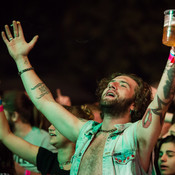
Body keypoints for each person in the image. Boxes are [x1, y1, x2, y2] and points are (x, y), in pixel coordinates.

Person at [2, 20, 175, 174]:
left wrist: (173, 53)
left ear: (135, 104)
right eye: (110, 83)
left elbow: (163, 98)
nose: (112, 85)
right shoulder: (84, 132)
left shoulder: (137, 136)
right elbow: (43, 100)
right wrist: (21, 59)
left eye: (123, 85)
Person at [2, 90, 56, 174]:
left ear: (14, 116)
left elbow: (55, 173)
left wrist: (24, 172)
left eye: (3, 113)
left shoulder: (44, 139)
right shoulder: (3, 139)